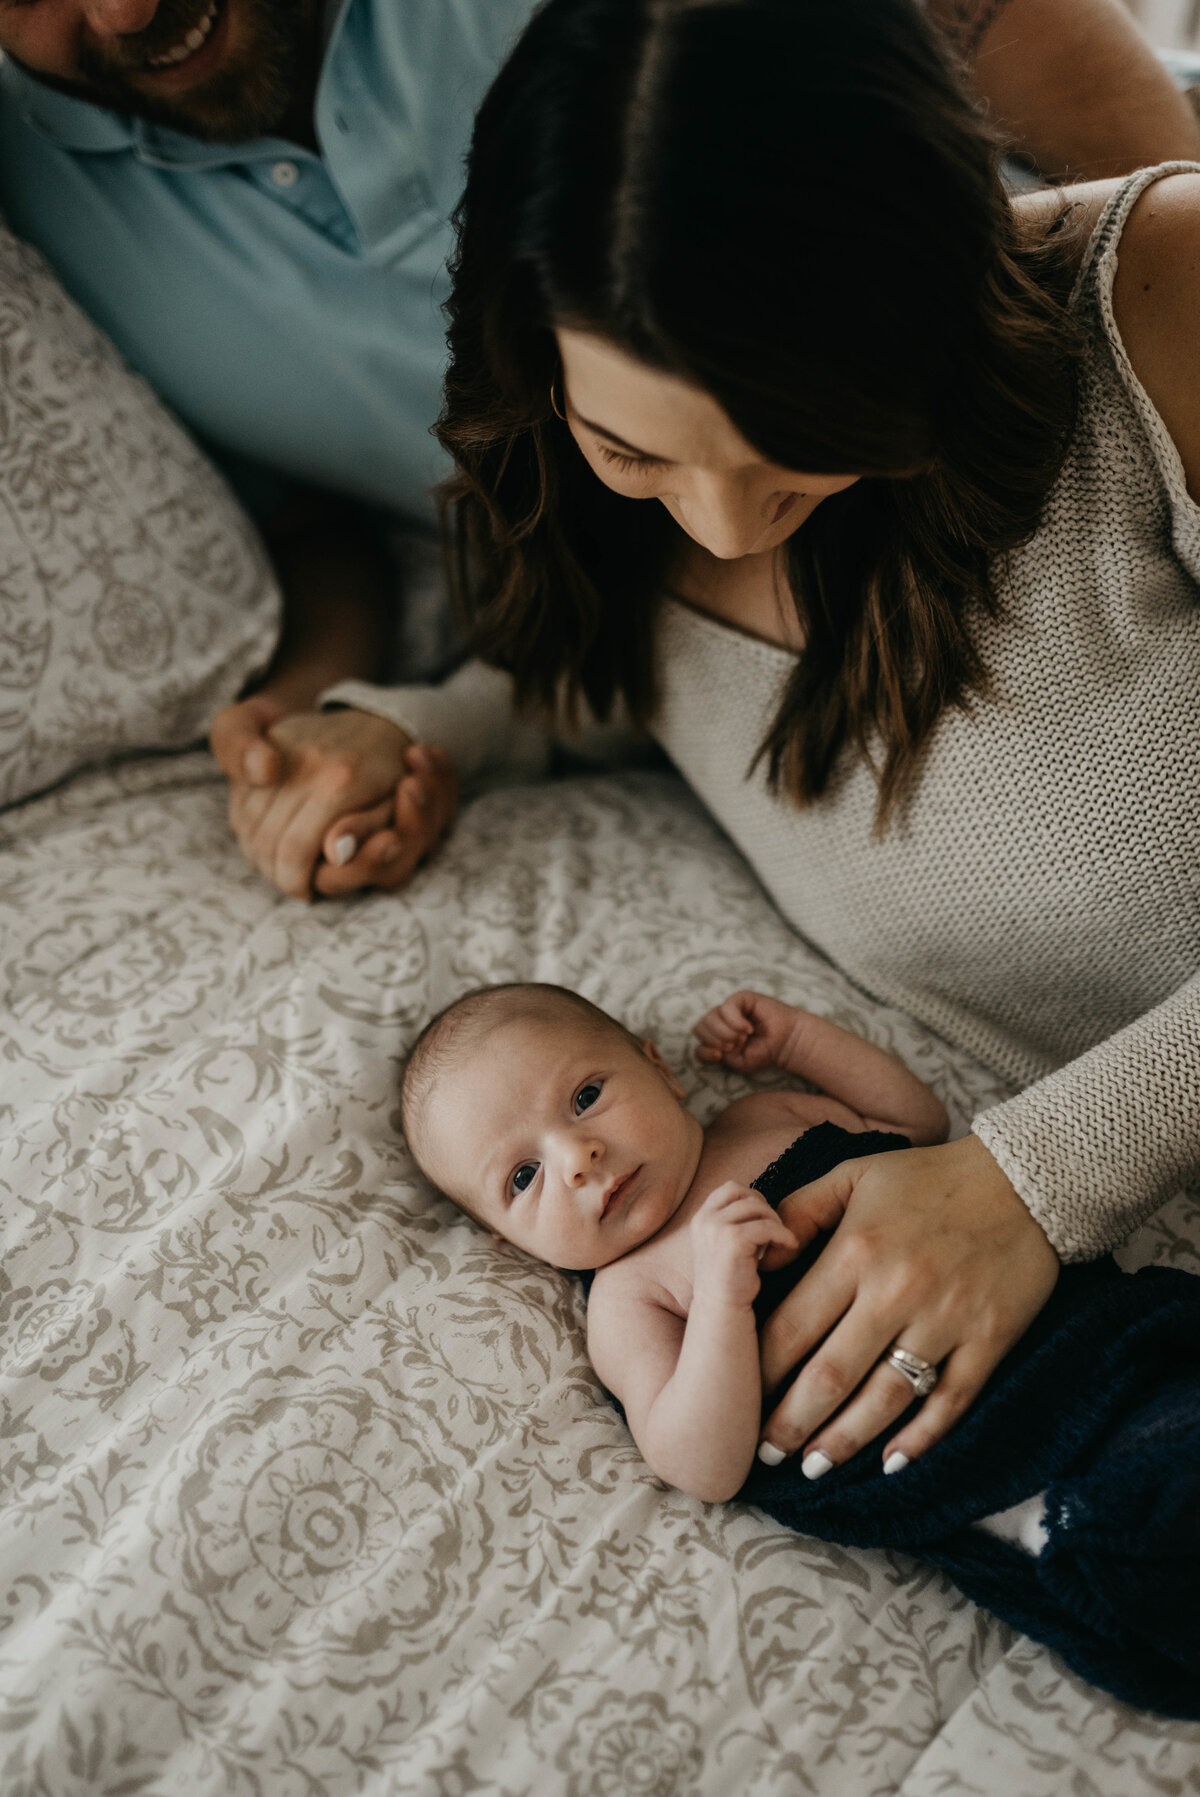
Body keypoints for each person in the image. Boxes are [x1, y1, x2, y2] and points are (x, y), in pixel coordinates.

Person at [314, 0, 1200, 1483]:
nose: (719, 522)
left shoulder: (1159, 300)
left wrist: (1028, 1183)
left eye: (797, 443)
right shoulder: (600, 533)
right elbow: (600, 684)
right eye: (637, 448)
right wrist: (404, 730)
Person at [0, 1, 1196, 901]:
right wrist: (337, 707)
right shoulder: (34, 191)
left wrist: (1137, 339)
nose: (120, 7)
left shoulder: (1126, 321)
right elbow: (332, 524)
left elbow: (998, 28)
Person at [400, 980, 1200, 1717]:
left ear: (659, 1066)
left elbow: (919, 1127)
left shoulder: (761, 1117)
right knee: (1146, 1518)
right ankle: (1071, 1523)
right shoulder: (627, 1296)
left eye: (585, 1096)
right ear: (509, 1240)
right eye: (523, 1177)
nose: (578, 1158)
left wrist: (797, 1040)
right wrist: (719, 1296)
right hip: (980, 1455)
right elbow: (700, 1460)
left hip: (1074, 1327)